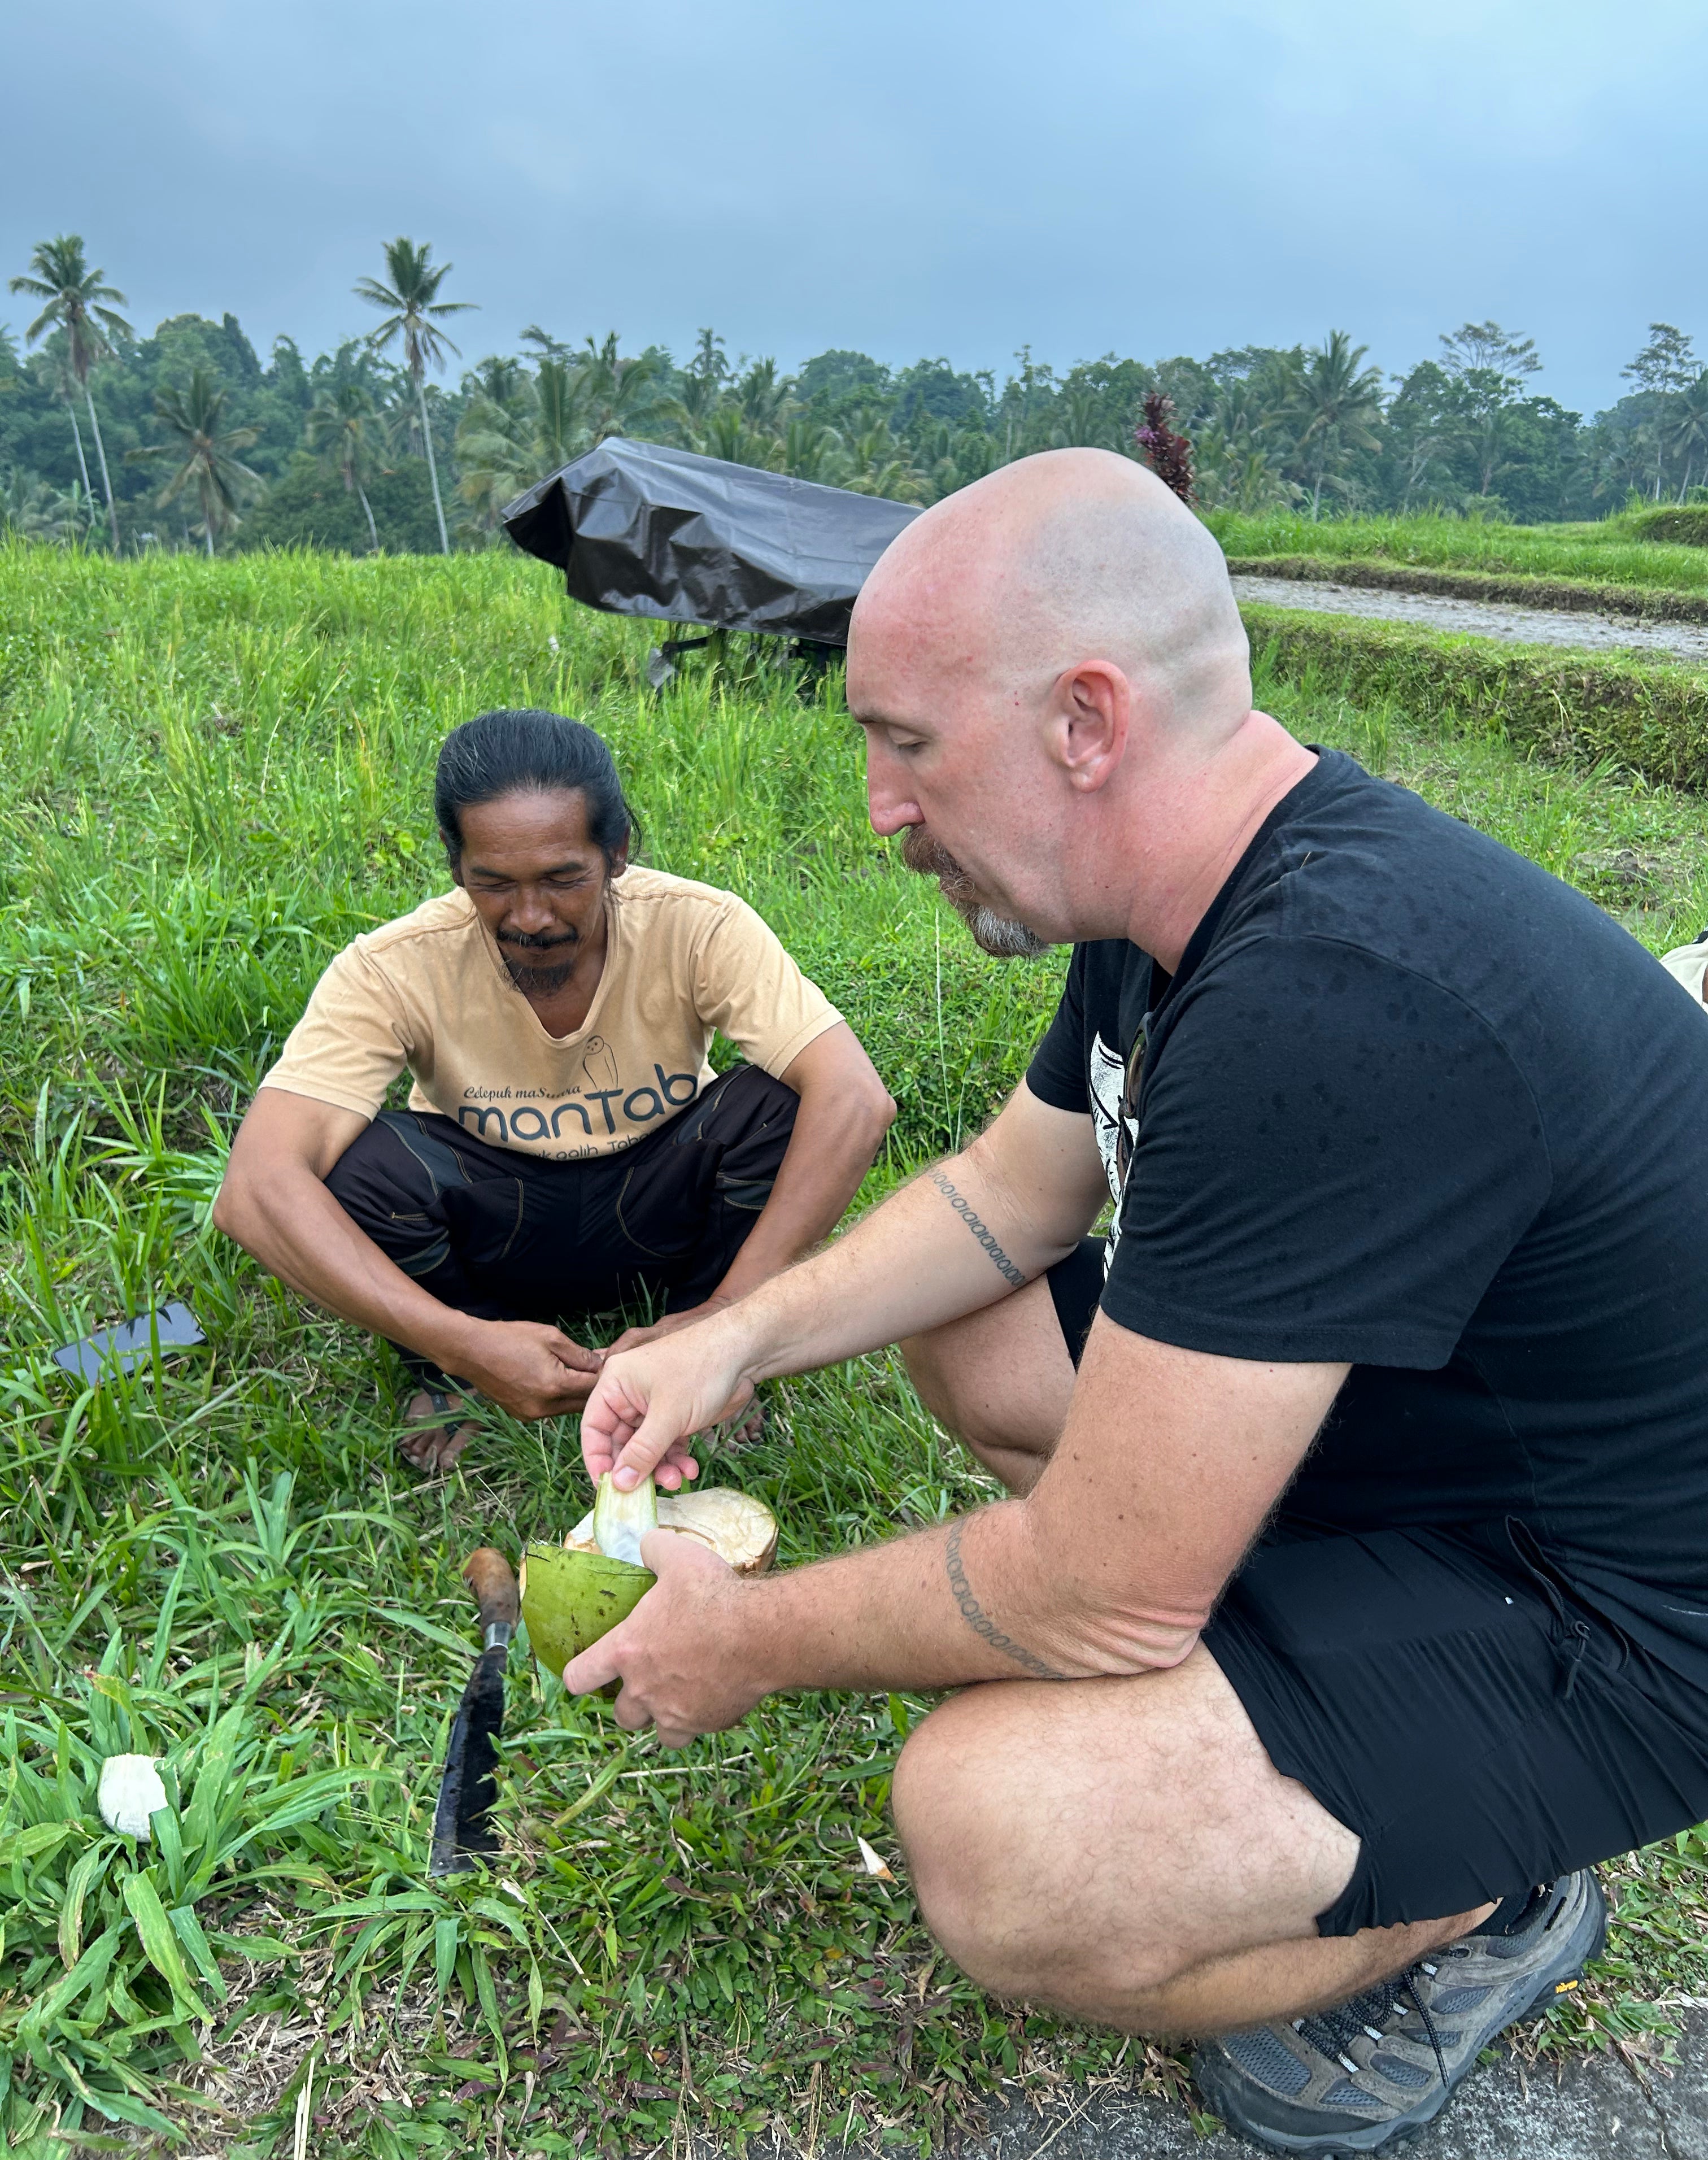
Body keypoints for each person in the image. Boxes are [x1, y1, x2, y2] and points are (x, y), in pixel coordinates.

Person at [561, 451, 1708, 2156]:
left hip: (1608, 1614)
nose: (880, 803)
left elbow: (1101, 1596)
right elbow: (1009, 1195)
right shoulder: (1174, 893)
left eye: (904, 739)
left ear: (1083, 725)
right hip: (1441, 1449)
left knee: (998, 1833)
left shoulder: (1335, 996)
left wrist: (752, 1639)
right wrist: (733, 1335)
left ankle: (1492, 1897)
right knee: (974, 1311)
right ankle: (1277, 1650)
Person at [213, 708, 894, 1473]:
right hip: (492, 1218)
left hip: (661, 1206)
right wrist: (459, 1343)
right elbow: (255, 1188)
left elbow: (856, 1100)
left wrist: (728, 1318)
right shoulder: (394, 966)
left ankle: (703, 1349)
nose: (531, 917)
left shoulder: (700, 927)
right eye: (493, 884)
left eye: (564, 879)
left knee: (781, 1108)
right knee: (358, 1170)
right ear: (452, 862)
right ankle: (447, 1373)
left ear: (617, 853)